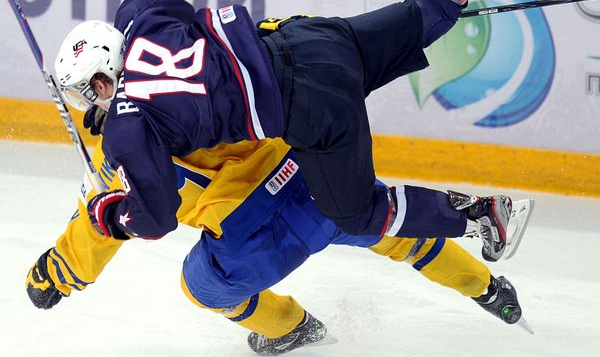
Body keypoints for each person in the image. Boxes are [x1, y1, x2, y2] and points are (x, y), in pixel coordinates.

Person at [53, 0, 519, 262]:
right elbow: (149, 3)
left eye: (88, 91)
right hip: (313, 39)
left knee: (357, 214)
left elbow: (156, 217)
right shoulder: (142, 18)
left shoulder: (127, 129)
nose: (89, 102)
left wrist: (110, 213)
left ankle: (478, 214)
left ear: (101, 80)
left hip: (312, 107)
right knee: (423, 11)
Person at [26, 136, 528, 356]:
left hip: (256, 232)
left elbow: (104, 226)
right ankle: (489, 289)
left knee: (200, 285)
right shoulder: (199, 62)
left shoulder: (121, 148)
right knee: (397, 232)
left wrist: (56, 272)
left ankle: (291, 327)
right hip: (306, 172)